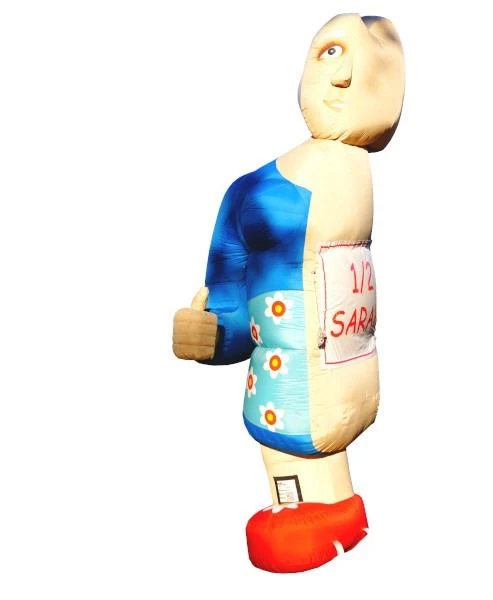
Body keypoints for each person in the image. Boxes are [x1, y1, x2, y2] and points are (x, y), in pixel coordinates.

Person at [173, 13, 405, 573]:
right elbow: (234, 293)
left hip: (327, 379)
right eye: (330, 53)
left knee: (306, 437)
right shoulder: (267, 190)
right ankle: (319, 509)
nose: (344, 76)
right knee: (296, 442)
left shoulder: (309, 182)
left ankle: (324, 509)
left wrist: (221, 328)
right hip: (304, 382)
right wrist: (213, 331)